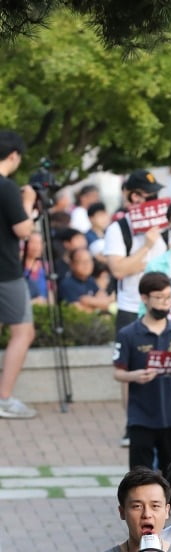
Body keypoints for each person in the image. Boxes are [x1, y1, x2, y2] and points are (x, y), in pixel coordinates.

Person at [113, 272, 171, 472]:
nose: (164, 303)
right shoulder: (129, 334)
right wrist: (135, 376)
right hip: (141, 416)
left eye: (168, 297)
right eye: (158, 298)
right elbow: (118, 372)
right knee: (140, 473)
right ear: (144, 298)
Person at [0, 130, 38, 419]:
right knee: (23, 331)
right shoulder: (7, 187)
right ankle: (3, 398)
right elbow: (23, 230)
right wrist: (28, 201)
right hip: (6, 271)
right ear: (13, 156)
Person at [104, 169, 167, 333]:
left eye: (152, 195)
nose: (146, 200)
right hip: (131, 307)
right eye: (140, 194)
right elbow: (118, 270)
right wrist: (146, 247)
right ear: (129, 194)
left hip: (163, 307)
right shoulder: (118, 229)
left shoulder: (166, 226)